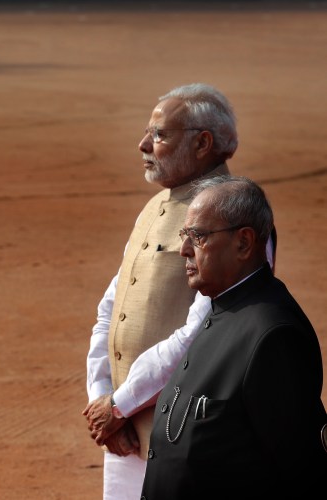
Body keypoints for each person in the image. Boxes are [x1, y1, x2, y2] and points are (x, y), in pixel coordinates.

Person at [82, 83, 276, 499]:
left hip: (185, 432)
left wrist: (119, 404)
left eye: (159, 135)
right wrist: (101, 398)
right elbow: (110, 310)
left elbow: (206, 332)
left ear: (203, 143)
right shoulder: (155, 206)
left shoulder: (233, 217)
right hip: (123, 429)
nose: (143, 144)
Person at [141, 175, 326, 499]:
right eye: (185, 235)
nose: (184, 250)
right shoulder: (223, 309)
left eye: (198, 237)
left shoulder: (273, 335)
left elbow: (305, 473)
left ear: (243, 243)